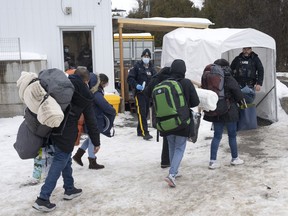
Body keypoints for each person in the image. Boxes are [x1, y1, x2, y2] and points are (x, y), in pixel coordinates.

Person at [32, 67, 101, 212]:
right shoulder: (85, 94)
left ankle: (69, 188)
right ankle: (43, 198)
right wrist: (96, 141)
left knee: (66, 158)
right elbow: (91, 120)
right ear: (87, 80)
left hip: (52, 126)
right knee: (60, 159)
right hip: (66, 132)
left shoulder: (63, 85)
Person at [161, 59, 199, 187]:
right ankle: (172, 174)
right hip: (182, 121)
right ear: (184, 70)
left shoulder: (165, 82)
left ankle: (175, 171)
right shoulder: (186, 83)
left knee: (172, 146)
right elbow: (195, 102)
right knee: (180, 147)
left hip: (166, 121)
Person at [202, 59, 245, 170]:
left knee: (217, 136)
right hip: (230, 110)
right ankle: (235, 158)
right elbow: (238, 94)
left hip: (216, 110)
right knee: (232, 135)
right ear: (226, 67)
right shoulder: (229, 78)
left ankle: (212, 161)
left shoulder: (209, 78)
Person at [73, 73, 116, 170]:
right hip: (94, 119)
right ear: (101, 82)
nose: (105, 85)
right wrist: (112, 110)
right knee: (93, 138)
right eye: (105, 83)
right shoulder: (96, 93)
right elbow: (103, 104)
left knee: (91, 138)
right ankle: (92, 161)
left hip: (93, 118)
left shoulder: (92, 91)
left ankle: (78, 155)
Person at [127, 48, 157, 140]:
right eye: (145, 56)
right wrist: (136, 85)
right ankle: (145, 132)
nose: (146, 58)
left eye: (148, 56)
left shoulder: (152, 68)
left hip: (148, 94)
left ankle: (140, 130)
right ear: (142, 57)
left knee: (146, 112)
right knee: (142, 112)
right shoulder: (137, 67)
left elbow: (155, 79)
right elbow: (130, 79)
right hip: (140, 93)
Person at [145, 66, 172, 168]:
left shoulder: (155, 79)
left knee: (165, 134)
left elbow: (147, 93)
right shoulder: (170, 80)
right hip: (170, 110)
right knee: (171, 136)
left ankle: (165, 160)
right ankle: (169, 160)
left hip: (158, 110)